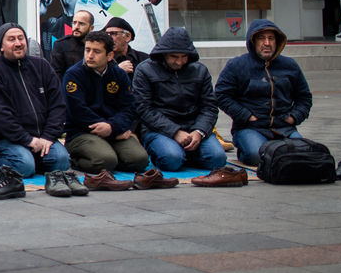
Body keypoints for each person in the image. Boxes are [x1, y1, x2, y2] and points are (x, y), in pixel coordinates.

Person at [0, 23, 70, 185]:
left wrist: (48, 137)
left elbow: (58, 105)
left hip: (43, 137)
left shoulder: (42, 66)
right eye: (11, 39)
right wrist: (28, 140)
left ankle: (36, 160)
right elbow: (0, 115)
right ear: (1, 46)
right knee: (24, 165)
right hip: (8, 139)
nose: (18, 43)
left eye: (21, 38)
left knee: (61, 161)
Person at [215, 19, 313, 167]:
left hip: (284, 128)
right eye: (261, 38)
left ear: (277, 41)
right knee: (257, 155)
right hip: (250, 128)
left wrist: (294, 117)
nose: (267, 43)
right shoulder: (237, 65)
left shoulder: (290, 65)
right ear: (253, 41)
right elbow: (221, 95)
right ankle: (247, 150)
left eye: (271, 38)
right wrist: (246, 116)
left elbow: (304, 97)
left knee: (302, 153)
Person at [132, 27, 226, 174]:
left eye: (184, 57)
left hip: (194, 126)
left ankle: (187, 153)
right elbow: (143, 109)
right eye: (174, 57)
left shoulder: (200, 70)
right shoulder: (144, 70)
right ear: (163, 54)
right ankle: (178, 153)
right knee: (172, 159)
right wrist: (175, 132)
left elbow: (209, 107)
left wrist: (199, 131)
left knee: (218, 159)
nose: (179, 62)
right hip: (159, 129)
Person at [63, 30, 148, 175]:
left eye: (96, 51)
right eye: (87, 50)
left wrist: (112, 127)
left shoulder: (119, 74)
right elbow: (77, 111)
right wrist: (110, 131)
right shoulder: (73, 75)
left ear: (109, 56)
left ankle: (110, 154)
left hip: (113, 128)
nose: (90, 55)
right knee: (105, 161)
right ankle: (76, 160)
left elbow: (128, 107)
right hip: (82, 132)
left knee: (139, 160)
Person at [49, 10, 94, 78]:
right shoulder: (61, 45)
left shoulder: (96, 45)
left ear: (91, 28)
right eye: (74, 23)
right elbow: (56, 75)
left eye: (81, 24)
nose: (76, 27)